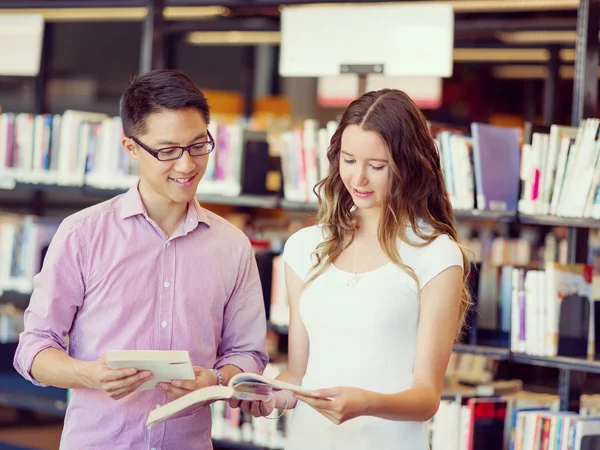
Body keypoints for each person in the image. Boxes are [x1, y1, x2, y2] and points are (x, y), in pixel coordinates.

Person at [13, 69, 269, 450]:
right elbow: (33, 349)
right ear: (130, 147)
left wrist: (216, 382)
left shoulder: (232, 245)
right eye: (167, 151)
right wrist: (88, 374)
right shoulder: (83, 234)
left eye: (198, 146)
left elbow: (248, 354)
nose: (186, 166)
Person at [231, 89, 472, 450]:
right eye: (348, 160)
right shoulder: (304, 248)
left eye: (377, 166)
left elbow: (426, 398)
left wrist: (366, 403)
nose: (358, 179)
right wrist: (266, 395)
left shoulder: (436, 256)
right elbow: (298, 375)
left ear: (409, 164)